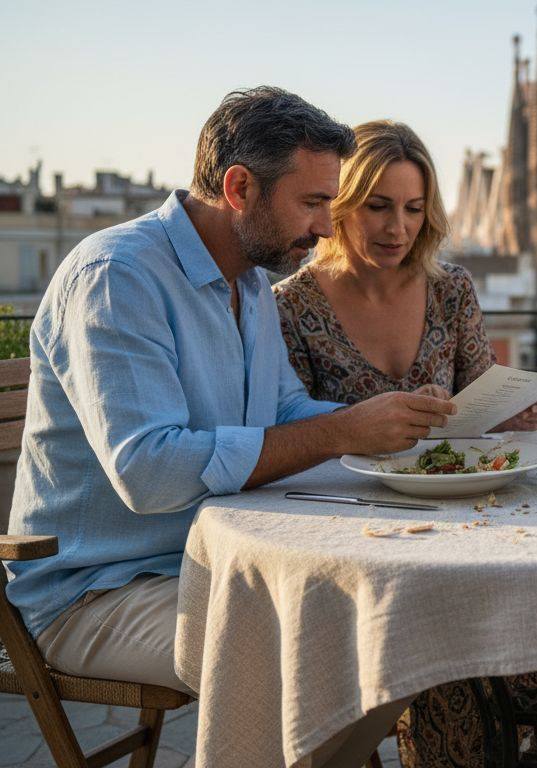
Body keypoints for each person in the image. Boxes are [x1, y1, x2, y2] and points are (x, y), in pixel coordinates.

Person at [4, 87, 456, 766]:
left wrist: (386, 432)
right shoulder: (116, 278)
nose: (328, 228)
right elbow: (150, 473)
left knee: (398, 623)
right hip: (95, 592)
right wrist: (340, 433)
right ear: (240, 187)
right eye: (312, 204)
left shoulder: (247, 280)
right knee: (313, 654)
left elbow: (283, 416)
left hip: (216, 563)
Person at [273, 120, 537, 767]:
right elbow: (292, 427)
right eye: (378, 207)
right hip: (360, 527)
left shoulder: (451, 288)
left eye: (413, 209)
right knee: (450, 624)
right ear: (342, 206)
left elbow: (479, 397)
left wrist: (522, 409)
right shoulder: (292, 304)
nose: (397, 228)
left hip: (467, 509)